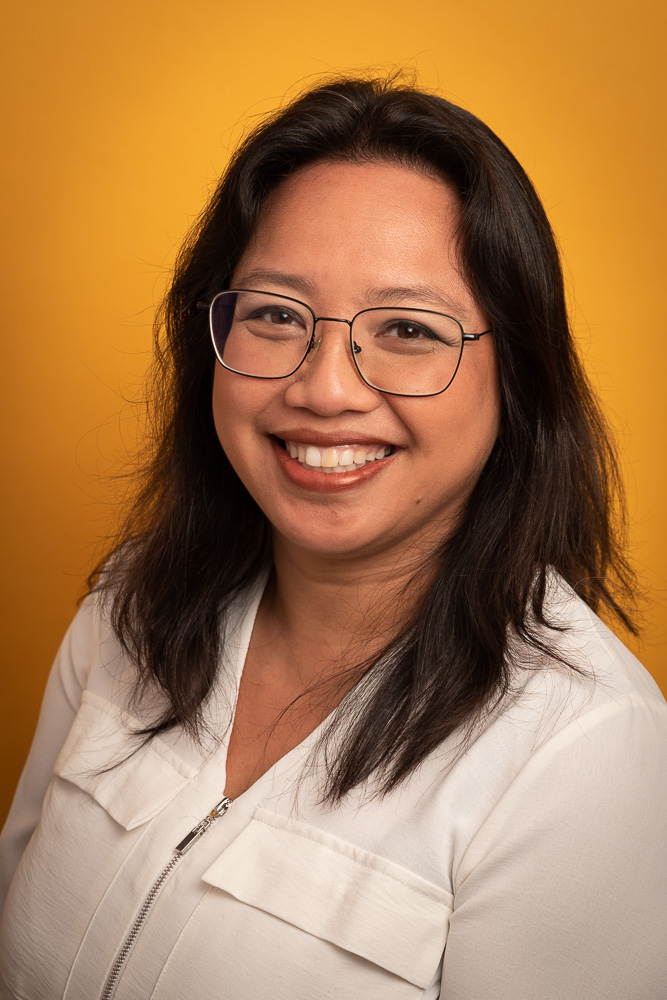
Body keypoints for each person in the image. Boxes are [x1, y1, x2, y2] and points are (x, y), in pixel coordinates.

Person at [0, 74, 665, 1000]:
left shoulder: (583, 752)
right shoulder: (131, 602)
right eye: (276, 315)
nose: (325, 389)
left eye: (408, 329)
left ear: (517, 375)